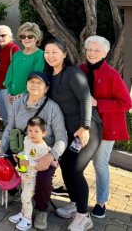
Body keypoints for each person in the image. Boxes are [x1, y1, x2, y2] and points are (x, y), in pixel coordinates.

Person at [0, 71, 67, 230]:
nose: (34, 85)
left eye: (39, 83)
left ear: (46, 88)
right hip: (21, 150)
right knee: (3, 163)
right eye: (31, 82)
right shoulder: (17, 104)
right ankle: (13, 192)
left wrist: (51, 156)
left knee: (43, 178)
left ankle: (41, 209)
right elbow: (9, 128)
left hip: (43, 153)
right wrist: (1, 149)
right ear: (27, 85)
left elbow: (62, 138)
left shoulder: (53, 108)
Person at [45, 38, 102, 231]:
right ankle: (75, 204)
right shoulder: (49, 74)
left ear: (64, 54)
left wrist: (85, 127)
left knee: (75, 169)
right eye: (47, 52)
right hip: (67, 130)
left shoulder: (72, 73)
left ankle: (84, 216)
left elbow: (86, 99)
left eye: (55, 52)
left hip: (87, 129)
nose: (50, 56)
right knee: (65, 166)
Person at [79, 36, 132, 219]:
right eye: (89, 49)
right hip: (83, 126)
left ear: (105, 53)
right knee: (76, 162)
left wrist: (97, 103)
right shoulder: (81, 69)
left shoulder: (112, 75)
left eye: (96, 50)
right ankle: (72, 193)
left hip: (106, 128)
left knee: (100, 164)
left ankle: (101, 202)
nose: (92, 53)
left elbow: (126, 103)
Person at [9, 117, 51, 231]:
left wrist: (28, 162)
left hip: (33, 177)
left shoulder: (43, 148)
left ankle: (28, 219)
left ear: (44, 133)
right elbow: (24, 151)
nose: (32, 134)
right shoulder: (27, 139)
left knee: (26, 196)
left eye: (36, 131)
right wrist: (18, 155)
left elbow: (41, 164)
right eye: (30, 130)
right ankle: (23, 213)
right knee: (23, 194)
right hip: (24, 174)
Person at [4, 23, 44, 104]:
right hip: (12, 98)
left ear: (36, 38)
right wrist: (9, 93)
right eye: (23, 36)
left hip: (30, 98)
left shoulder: (40, 55)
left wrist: (24, 94)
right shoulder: (16, 55)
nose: (26, 39)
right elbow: (9, 76)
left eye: (30, 36)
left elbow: (37, 78)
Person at [0, 25, 19, 125]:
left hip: (8, 88)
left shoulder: (14, 48)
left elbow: (15, 70)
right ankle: (7, 136)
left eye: (3, 35)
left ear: (9, 36)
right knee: (4, 115)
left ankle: (13, 138)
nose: (0, 38)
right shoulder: (0, 48)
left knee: (11, 116)